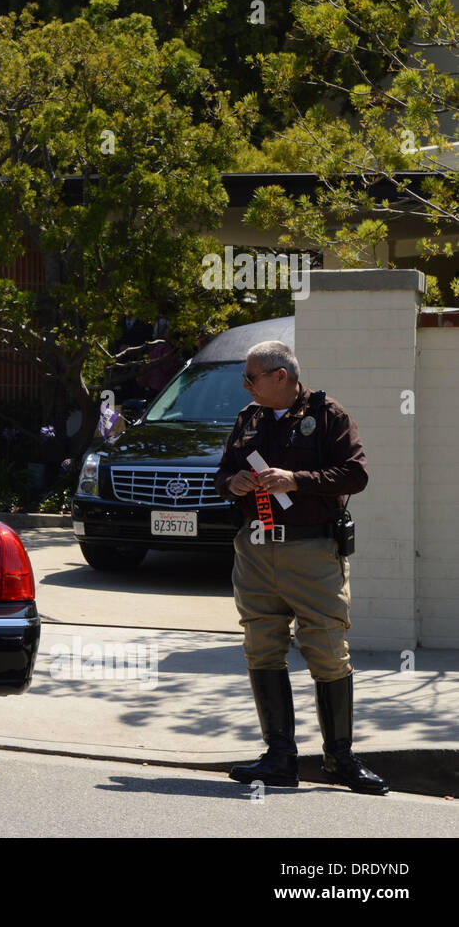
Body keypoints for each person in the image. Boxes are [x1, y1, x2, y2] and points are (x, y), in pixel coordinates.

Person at [214, 340, 385, 795]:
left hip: (311, 552)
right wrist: (233, 482)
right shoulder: (247, 420)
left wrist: (298, 480)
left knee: (327, 650)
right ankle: (279, 758)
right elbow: (221, 475)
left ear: (280, 377)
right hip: (255, 550)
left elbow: (356, 474)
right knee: (261, 647)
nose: (245, 385)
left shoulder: (328, 415)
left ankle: (340, 760)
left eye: (251, 377)